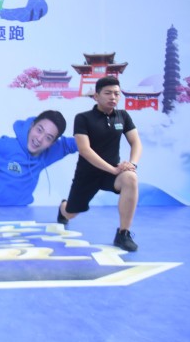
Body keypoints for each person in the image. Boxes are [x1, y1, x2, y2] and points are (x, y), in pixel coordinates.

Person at [57, 76, 142, 252]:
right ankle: (63, 207)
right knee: (71, 213)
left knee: (131, 178)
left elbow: (136, 143)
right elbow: (85, 150)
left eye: (117, 94)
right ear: (96, 96)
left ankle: (123, 233)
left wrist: (132, 164)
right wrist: (113, 169)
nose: (113, 97)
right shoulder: (83, 118)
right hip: (87, 175)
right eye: (108, 93)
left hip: (112, 174)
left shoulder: (123, 116)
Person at [0, 110, 78, 206]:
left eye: (48, 138)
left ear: (52, 143)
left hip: (21, 215)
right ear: (32, 126)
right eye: (39, 130)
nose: (40, 139)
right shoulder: (6, 146)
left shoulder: (46, 154)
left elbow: (72, 144)